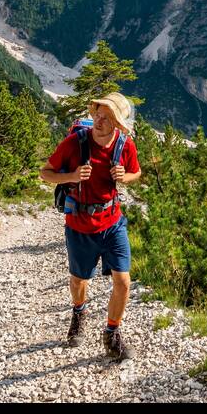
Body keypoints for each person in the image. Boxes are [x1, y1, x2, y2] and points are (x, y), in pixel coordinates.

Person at [40, 92, 141, 360]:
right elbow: (45, 172)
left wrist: (126, 177)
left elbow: (136, 172)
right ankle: (79, 311)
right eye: (98, 113)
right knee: (79, 280)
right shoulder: (75, 143)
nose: (99, 120)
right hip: (79, 225)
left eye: (107, 117)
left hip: (112, 223)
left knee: (123, 281)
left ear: (118, 124)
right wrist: (71, 176)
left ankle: (112, 334)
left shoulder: (124, 145)